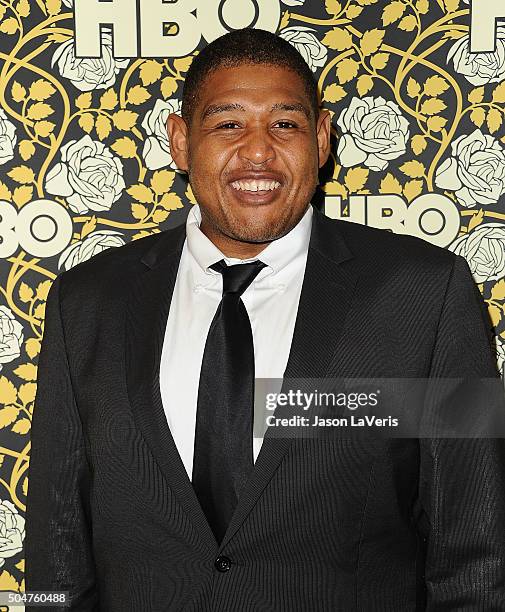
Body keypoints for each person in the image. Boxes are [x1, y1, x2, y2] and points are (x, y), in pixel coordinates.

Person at [25, 28, 505, 611]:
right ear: (180, 142)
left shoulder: (425, 295)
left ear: (322, 138)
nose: (258, 151)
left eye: (285, 124)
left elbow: (478, 550)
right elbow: (56, 541)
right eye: (228, 123)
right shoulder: (87, 302)